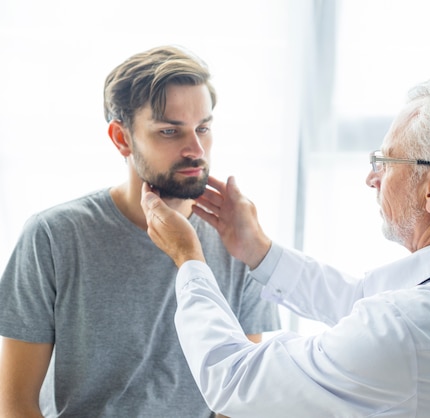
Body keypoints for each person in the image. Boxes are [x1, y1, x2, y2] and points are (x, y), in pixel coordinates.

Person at [140, 75, 430, 417]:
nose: (372, 177)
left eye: (386, 161)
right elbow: (364, 302)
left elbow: (233, 379)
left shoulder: (405, 333)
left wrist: (189, 260)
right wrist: (260, 251)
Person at [0, 45, 280, 418]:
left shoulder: (241, 243)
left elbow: (239, 399)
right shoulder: (52, 237)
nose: (196, 149)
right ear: (122, 138)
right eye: (169, 130)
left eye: (203, 128)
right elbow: (16, 404)